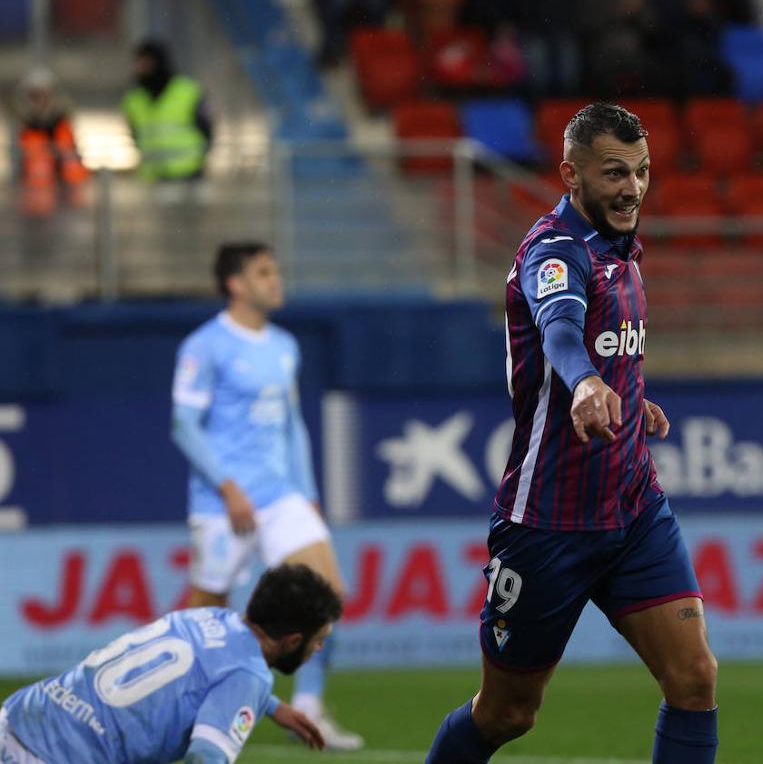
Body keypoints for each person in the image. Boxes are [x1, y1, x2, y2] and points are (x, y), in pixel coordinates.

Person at [423, 102, 719, 764]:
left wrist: (624, 396)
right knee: (507, 714)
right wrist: (586, 383)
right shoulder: (552, 252)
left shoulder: (623, 256)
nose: (632, 188)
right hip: (548, 522)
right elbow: (559, 329)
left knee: (695, 678)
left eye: (642, 172)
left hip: (633, 508)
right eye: (615, 172)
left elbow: (596, 347)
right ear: (570, 174)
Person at [169, 241, 364, 751]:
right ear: (235, 284)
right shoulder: (203, 346)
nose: (275, 280)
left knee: (329, 594)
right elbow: (183, 425)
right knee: (199, 621)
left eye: (275, 270)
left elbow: (292, 424)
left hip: (280, 497)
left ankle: (313, 707)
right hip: (223, 503)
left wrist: (309, 492)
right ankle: (175, 710)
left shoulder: (284, 345)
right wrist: (228, 487)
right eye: (263, 272)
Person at [0, 564, 341, 764]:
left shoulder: (208, 615)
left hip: (20, 715)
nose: (320, 647)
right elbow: (204, 757)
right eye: (318, 639)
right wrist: (255, 694)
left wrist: (269, 705)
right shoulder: (248, 676)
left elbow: (206, 671)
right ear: (293, 640)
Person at [121, 40, 212, 182]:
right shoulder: (133, 98)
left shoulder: (187, 91)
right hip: (152, 173)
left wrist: (201, 158)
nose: (140, 66)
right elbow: (134, 132)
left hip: (188, 171)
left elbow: (207, 129)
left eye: (145, 61)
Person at [11, 67, 89, 216]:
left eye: (44, 95)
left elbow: (76, 168)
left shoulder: (64, 128)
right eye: (35, 96)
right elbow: (18, 171)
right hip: (33, 207)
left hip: (66, 205)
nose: (40, 101)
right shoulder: (24, 132)